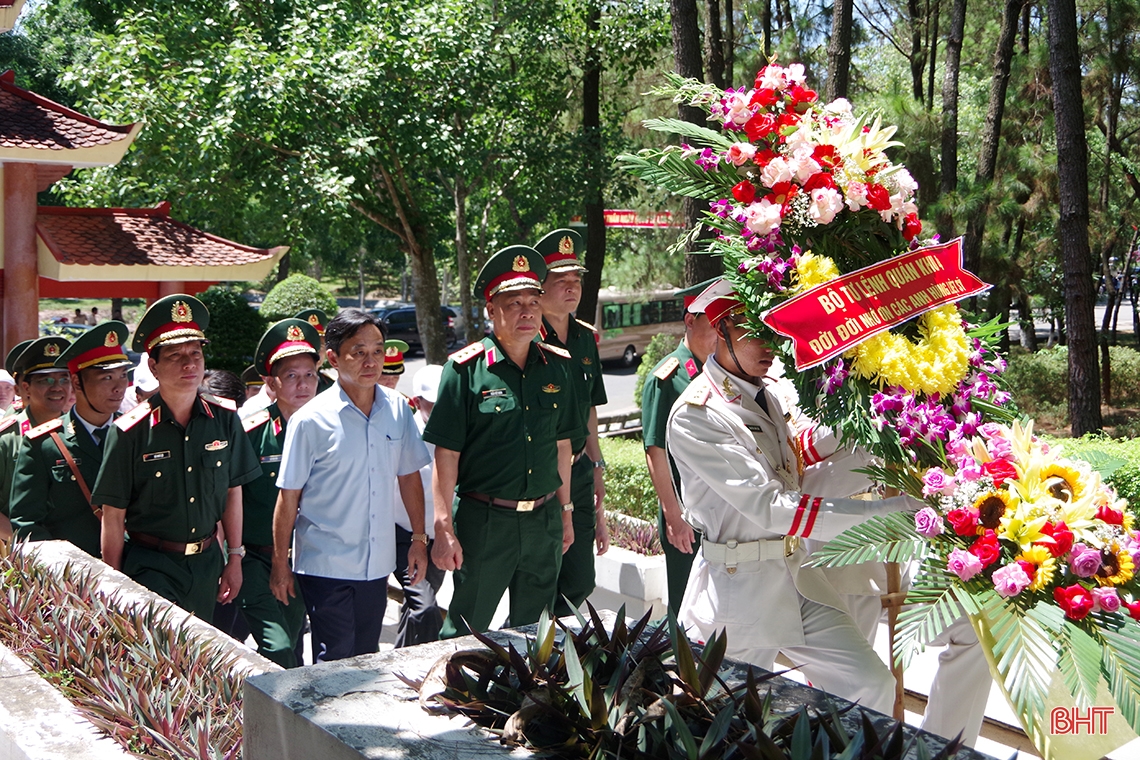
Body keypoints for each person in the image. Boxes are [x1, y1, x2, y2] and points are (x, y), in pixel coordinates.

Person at [666, 279, 920, 714]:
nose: (770, 346)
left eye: (775, 333)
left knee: (871, 685)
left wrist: (897, 438)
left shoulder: (770, 395)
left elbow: (803, 474)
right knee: (714, 725)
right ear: (722, 329)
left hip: (795, 578)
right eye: (755, 332)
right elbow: (772, 508)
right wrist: (890, 515)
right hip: (736, 594)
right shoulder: (699, 415)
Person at [424, 245, 584, 638]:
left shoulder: (558, 367)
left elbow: (563, 447)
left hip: (543, 519)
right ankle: (454, 699)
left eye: (533, 301)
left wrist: (565, 510)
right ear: (491, 311)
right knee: (466, 629)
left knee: (536, 633)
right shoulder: (464, 371)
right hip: (486, 522)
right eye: (514, 303)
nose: (527, 311)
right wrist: (443, 526)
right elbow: (446, 457)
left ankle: (523, 701)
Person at [270, 309, 430, 662]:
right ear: (333, 358)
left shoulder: (398, 410)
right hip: (325, 563)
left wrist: (419, 539)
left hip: (377, 563)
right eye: (358, 352)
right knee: (335, 656)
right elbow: (289, 495)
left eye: (378, 350)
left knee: (368, 655)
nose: (371, 361)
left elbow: (409, 476)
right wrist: (280, 562)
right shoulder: (310, 420)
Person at [92, 294, 260, 620]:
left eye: (196, 353)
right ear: (153, 366)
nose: (189, 363)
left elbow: (232, 491)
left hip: (207, 563)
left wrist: (235, 557)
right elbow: (113, 516)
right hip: (151, 565)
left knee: (198, 661)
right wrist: (113, 580)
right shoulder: (130, 431)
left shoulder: (225, 419)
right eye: (175, 355)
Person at [237, 319, 321, 667]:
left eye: (310, 375)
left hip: (307, 557)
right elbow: (229, 495)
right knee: (278, 647)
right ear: (271, 383)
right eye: (291, 376)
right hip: (256, 557)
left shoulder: (328, 428)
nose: (303, 385)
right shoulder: (252, 432)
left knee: (295, 651)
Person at [533, 229, 609, 616]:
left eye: (576, 279)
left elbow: (590, 408)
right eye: (560, 280)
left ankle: (559, 653)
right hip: (541, 473)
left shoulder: (584, 339)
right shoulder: (526, 339)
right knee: (541, 579)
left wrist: (597, 464)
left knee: (580, 579)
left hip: (578, 470)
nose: (572, 287)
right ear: (539, 287)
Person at [10, 323, 131, 557]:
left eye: (123, 376)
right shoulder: (43, 443)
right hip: (74, 579)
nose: (119, 387)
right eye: (107, 377)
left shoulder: (136, 433)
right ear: (77, 383)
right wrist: (67, 571)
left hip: (136, 569)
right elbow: (26, 523)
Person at [640, 277, 720, 615]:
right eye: (714, 324)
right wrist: (674, 517)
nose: (721, 333)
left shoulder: (719, 374)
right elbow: (654, 450)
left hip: (718, 511)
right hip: (686, 513)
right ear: (690, 321)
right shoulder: (668, 377)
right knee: (685, 605)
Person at [392, 363, 447, 647]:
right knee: (424, 607)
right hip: (403, 536)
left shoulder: (456, 432)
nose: (442, 410)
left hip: (439, 536)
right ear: (416, 402)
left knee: (414, 610)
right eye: (435, 404)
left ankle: (397, 661)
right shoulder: (402, 434)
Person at [0, 336, 73, 540]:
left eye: (64, 379)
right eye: (46, 380)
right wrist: (29, 545)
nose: (57, 387)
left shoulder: (77, 433)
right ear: (24, 388)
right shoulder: (7, 438)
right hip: (18, 554)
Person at [294, 308, 336, 392]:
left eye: (320, 347)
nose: (316, 353)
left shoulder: (332, 386)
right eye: (311, 347)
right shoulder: (284, 385)